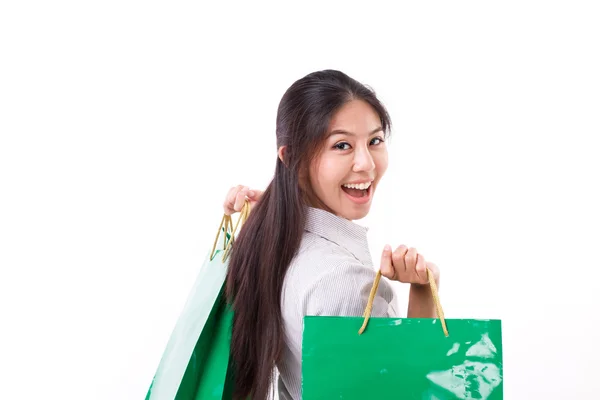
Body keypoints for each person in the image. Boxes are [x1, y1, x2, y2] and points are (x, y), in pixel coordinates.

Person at [223, 69, 441, 400]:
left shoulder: (273, 243)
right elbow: (398, 394)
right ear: (291, 157)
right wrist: (425, 291)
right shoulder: (344, 281)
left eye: (375, 141)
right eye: (342, 145)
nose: (366, 164)